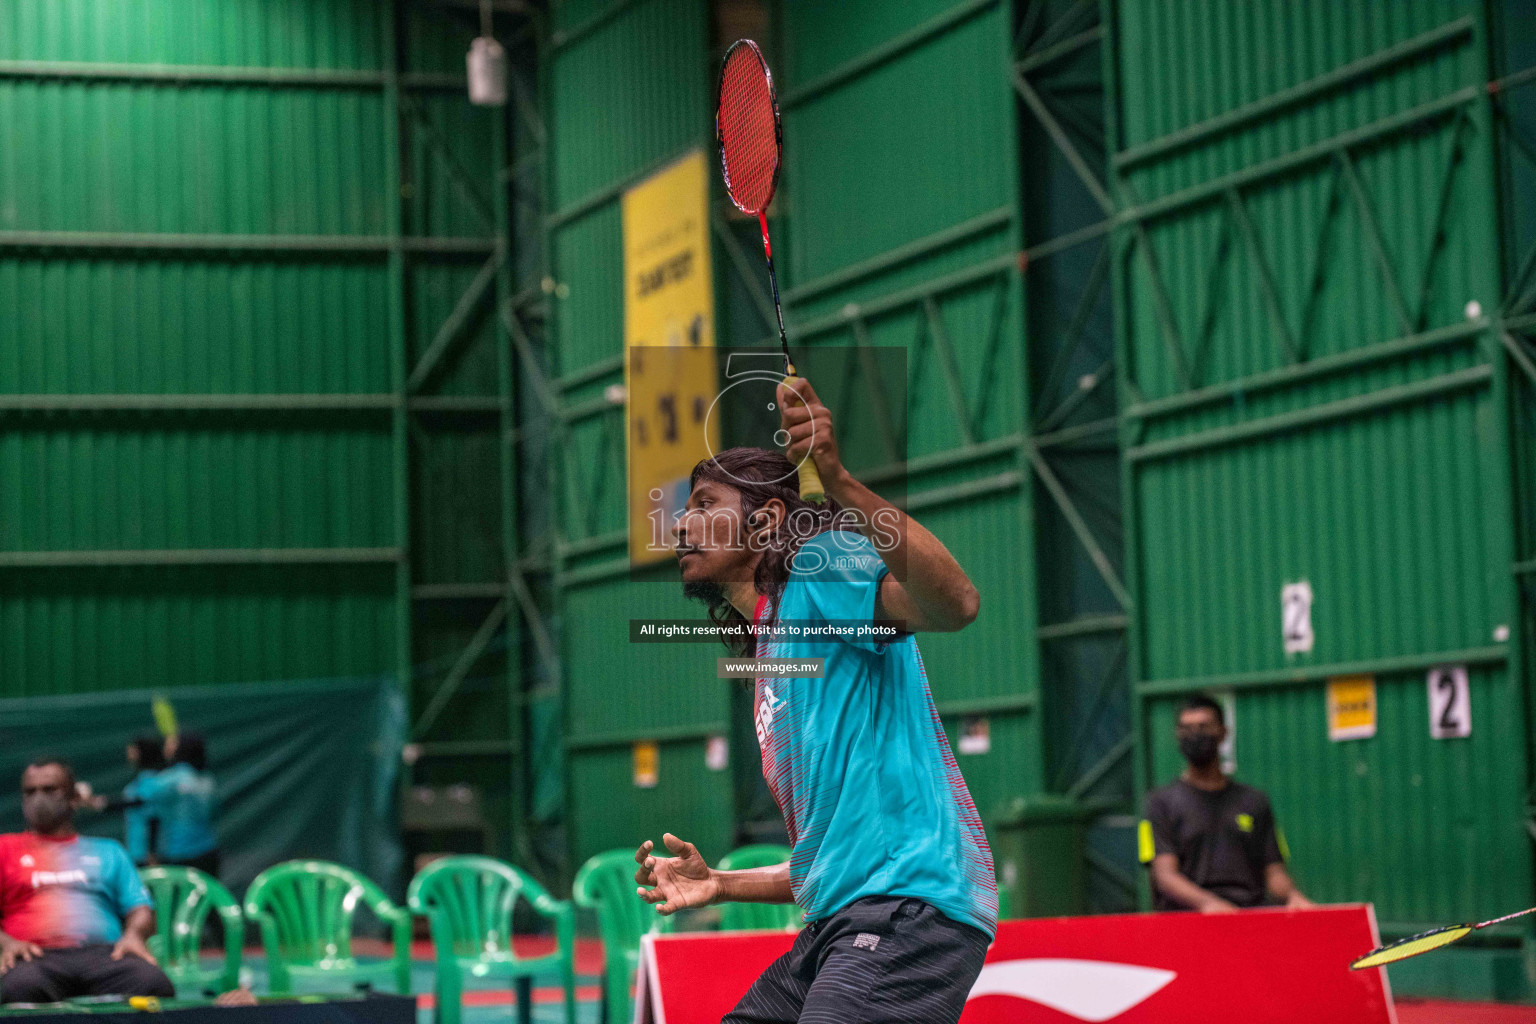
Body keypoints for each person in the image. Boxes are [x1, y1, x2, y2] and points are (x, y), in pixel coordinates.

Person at [633, 377, 996, 1024]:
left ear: (768, 518)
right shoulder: (772, 654)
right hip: (839, 921)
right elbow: (824, 856)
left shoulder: (820, 565)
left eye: (704, 504)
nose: (682, 523)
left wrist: (840, 482)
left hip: (906, 908)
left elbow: (956, 604)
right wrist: (719, 883)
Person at [0, 759, 174, 1003]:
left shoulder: (109, 851)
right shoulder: (4, 849)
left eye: (49, 789)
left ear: (74, 797)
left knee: (152, 983)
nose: (38, 798)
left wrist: (134, 935)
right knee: (17, 988)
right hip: (33, 957)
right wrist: (6, 943)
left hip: (106, 955)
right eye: (30, 791)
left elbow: (140, 907)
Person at [1140, 694, 1316, 913]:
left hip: (1248, 918)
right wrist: (1209, 904)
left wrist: (1293, 896)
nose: (1195, 735)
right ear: (1177, 735)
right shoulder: (1158, 804)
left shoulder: (1255, 802)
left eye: (1203, 727)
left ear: (1223, 733)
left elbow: (1274, 871)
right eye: (1187, 728)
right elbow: (1164, 876)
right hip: (1187, 923)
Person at [146, 734, 218, 878]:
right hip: (209, 852)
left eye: (171, 743)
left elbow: (145, 803)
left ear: (180, 747)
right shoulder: (208, 779)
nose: (166, 746)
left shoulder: (166, 781)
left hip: (178, 857)